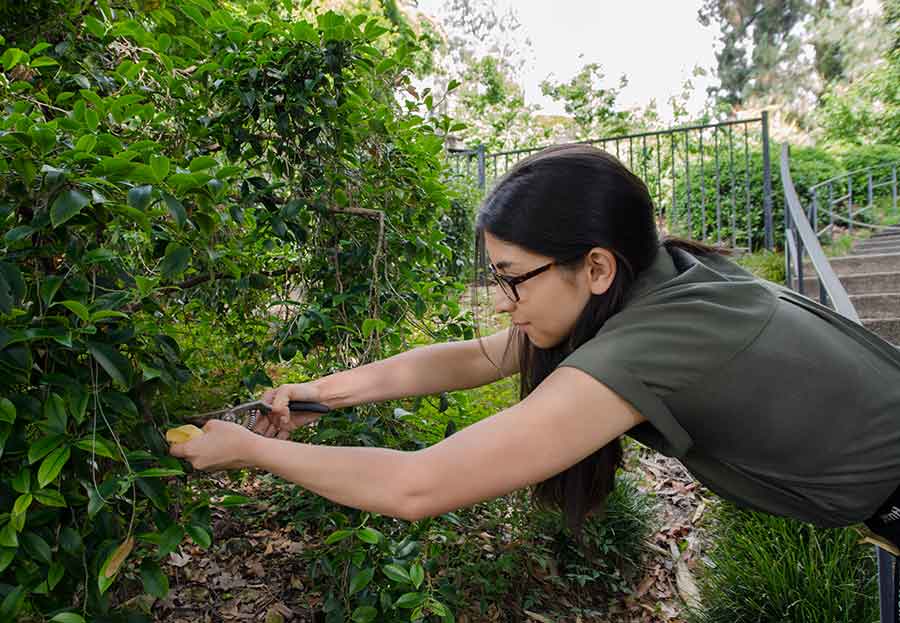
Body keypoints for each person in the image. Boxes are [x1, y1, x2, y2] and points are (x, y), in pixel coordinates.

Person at [169, 143, 900, 551]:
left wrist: (251, 452)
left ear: (597, 265)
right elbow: (469, 357)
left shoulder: (652, 342)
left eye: (513, 279)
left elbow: (418, 487)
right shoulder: (658, 273)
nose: (502, 301)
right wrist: (322, 392)